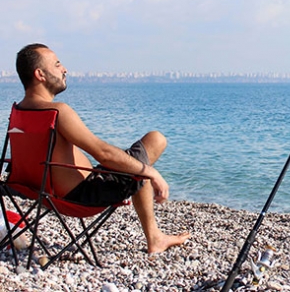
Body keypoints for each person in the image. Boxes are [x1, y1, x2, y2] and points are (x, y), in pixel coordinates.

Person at [14, 43, 190, 254]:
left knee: (133, 163)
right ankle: (155, 238)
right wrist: (151, 172)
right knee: (155, 140)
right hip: (83, 197)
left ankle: (155, 236)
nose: (64, 69)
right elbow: (103, 153)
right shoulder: (57, 112)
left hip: (42, 194)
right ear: (40, 74)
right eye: (57, 64)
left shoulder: (19, 112)